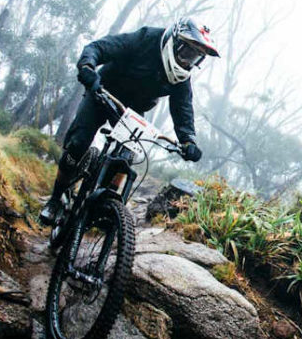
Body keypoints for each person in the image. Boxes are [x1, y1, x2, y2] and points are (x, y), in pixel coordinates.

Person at [38, 18, 219, 226]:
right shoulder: (146, 39)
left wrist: (188, 140)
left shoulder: (181, 76)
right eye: (188, 53)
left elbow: (183, 107)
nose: (189, 61)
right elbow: (100, 47)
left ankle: (102, 208)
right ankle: (54, 200)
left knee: (124, 160)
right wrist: (88, 67)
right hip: (103, 92)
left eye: (196, 57)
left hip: (132, 111)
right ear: (175, 41)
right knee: (78, 143)